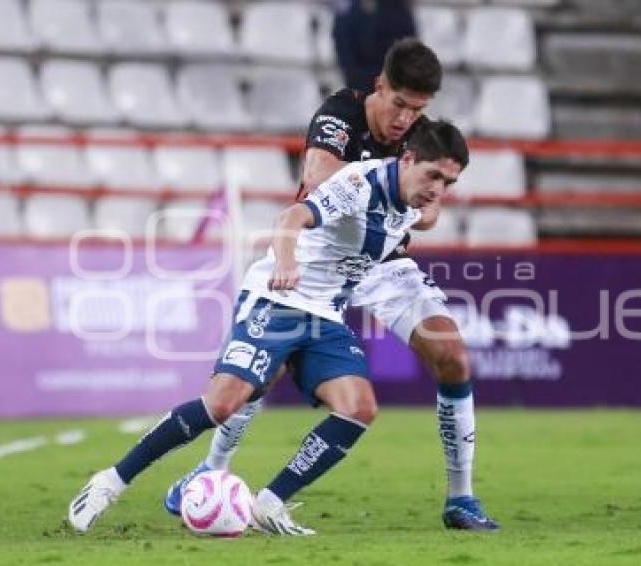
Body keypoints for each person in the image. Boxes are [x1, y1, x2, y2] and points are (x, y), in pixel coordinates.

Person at [67, 119, 470, 536]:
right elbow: (292, 216)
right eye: (433, 176)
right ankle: (110, 482)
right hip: (277, 301)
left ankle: (269, 504)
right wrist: (287, 263)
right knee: (222, 405)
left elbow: (420, 216)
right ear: (406, 159)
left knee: (359, 408)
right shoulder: (359, 183)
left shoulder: (415, 201)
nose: (438, 189)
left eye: (449, 183)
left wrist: (430, 204)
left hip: (326, 317)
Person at [165, 38, 499, 532]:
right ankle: (210, 470)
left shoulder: (422, 139)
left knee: (453, 355)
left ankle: (461, 497)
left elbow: (429, 211)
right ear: (379, 86)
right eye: (400, 104)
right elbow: (319, 176)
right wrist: (393, 188)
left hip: (382, 261)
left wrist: (420, 201)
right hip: (318, 257)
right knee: (263, 373)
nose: (406, 119)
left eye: (418, 109)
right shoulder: (340, 113)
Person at [332, 0, 417, 94]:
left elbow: (409, 43)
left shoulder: (398, 9)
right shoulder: (350, 10)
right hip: (362, 82)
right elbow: (343, 44)